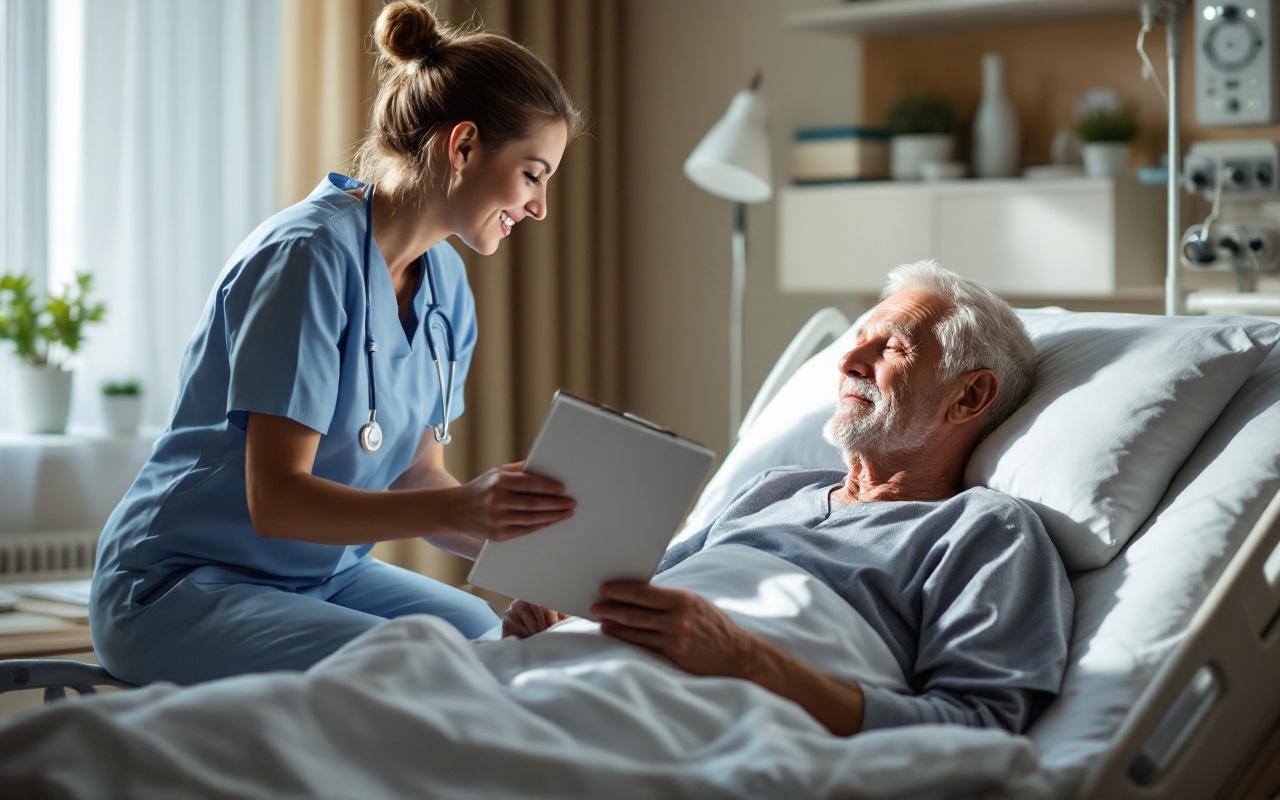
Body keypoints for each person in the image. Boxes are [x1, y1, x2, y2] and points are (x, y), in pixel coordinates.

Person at [90, 0, 581, 686]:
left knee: (495, 639)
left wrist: (526, 565)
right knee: (432, 670)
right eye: (533, 174)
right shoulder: (307, 257)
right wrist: (462, 505)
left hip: (323, 577)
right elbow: (276, 500)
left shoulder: (446, 286)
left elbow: (417, 477)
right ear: (463, 146)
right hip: (183, 584)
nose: (540, 207)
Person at [512, 260, 1074, 736]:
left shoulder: (984, 530)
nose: (849, 362)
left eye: (893, 347)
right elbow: (650, 603)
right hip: (570, 677)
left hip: (679, 718)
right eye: (859, 340)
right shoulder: (775, 489)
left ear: (969, 396)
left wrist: (744, 660)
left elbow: (977, 726)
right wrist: (562, 618)